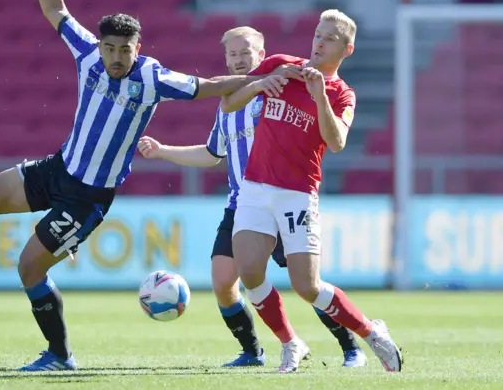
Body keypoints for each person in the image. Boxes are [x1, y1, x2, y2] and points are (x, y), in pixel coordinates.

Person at [0, 0, 293, 372]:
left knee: (28, 269)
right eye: (110, 49)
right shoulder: (86, 54)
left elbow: (208, 86)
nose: (117, 57)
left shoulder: (152, 77)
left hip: (86, 199)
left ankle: (60, 356)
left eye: (125, 49)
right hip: (57, 169)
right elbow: (54, 8)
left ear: (137, 47)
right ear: (101, 46)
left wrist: (257, 80)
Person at [137, 26, 366, 371]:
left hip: (280, 198)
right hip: (241, 204)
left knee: (307, 285)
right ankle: (253, 351)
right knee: (222, 281)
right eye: (233, 55)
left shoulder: (277, 91)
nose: (240, 60)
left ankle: (351, 347)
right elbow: (214, 153)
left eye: (247, 53)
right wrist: (164, 151)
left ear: (263, 56)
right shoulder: (228, 104)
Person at [220, 10, 403, 373]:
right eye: (319, 34)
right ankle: (290, 343)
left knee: (307, 286)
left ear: (347, 50)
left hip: (297, 193)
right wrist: (261, 83)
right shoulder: (281, 64)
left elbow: (336, 142)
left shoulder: (342, 94)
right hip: (255, 187)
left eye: (330, 38)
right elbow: (228, 103)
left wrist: (320, 96)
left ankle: (370, 331)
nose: (320, 41)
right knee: (250, 272)